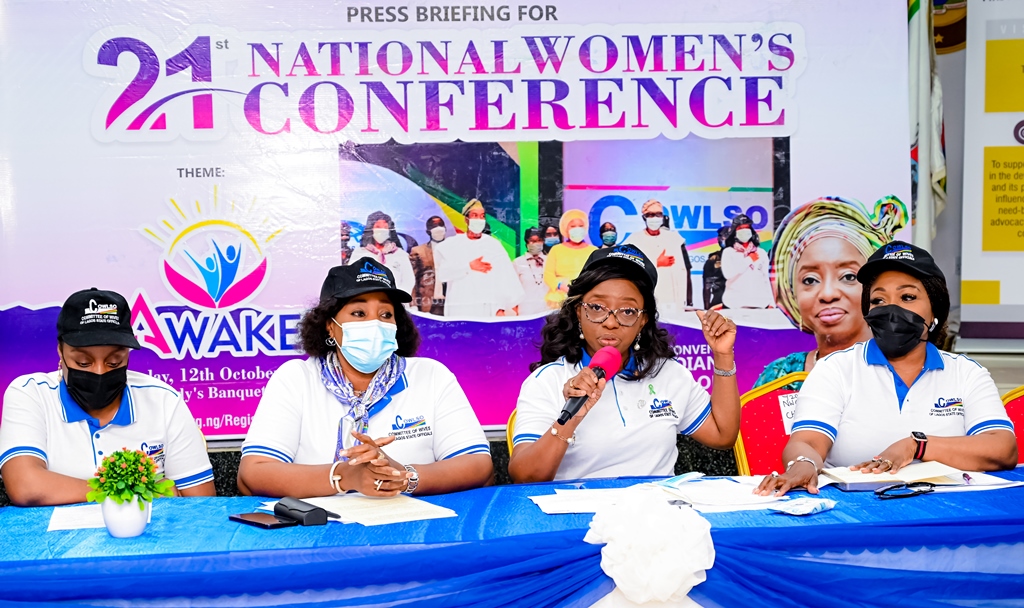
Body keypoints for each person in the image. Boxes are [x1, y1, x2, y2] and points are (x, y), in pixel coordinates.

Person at [756, 242, 1017, 497]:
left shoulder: (967, 373)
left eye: (907, 297)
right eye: (878, 299)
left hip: (952, 508)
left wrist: (917, 445)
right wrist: (804, 464)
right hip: (856, 510)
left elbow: (1002, 449)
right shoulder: (835, 368)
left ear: (935, 310)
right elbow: (808, 442)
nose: (892, 310)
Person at [238, 259, 493, 497]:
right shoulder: (296, 378)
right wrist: (345, 477)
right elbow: (255, 472)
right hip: (318, 533)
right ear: (330, 325)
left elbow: (478, 464)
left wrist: (403, 476)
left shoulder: (431, 376)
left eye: (385, 315)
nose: (375, 324)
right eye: (359, 313)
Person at [508, 245, 741, 482]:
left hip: (658, 512)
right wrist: (572, 417)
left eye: (628, 311)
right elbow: (525, 477)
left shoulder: (668, 373)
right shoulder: (548, 380)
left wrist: (723, 354)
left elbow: (723, 436)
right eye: (597, 308)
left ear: (643, 320)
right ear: (579, 311)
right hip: (578, 514)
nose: (611, 322)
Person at [0, 289, 214, 506]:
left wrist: (61, 488)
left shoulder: (164, 401)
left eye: (114, 362)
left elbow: (202, 505)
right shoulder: (30, 394)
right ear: (60, 351)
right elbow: (25, 486)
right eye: (83, 363)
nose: (100, 372)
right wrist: (136, 490)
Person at [754, 196, 907, 390]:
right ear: (792, 294)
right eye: (810, 280)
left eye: (848, 277)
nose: (827, 294)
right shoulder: (779, 378)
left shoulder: (907, 374)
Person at [433, 199, 524, 318]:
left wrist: (501, 307)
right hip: (460, 307)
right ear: (466, 219)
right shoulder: (452, 245)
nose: (479, 220)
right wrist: (469, 267)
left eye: (482, 216)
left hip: (488, 308)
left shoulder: (493, 245)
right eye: (475, 216)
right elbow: (444, 275)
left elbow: (505, 278)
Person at [625, 200, 693, 312]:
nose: (655, 218)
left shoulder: (674, 238)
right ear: (644, 217)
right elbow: (628, 269)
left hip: (672, 298)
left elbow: (683, 270)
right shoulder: (634, 240)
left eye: (658, 214)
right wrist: (656, 262)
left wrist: (684, 300)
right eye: (651, 215)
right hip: (647, 297)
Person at [350, 211, 416, 296]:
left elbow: (409, 281)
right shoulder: (359, 253)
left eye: (385, 227)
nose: (381, 230)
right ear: (371, 229)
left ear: (390, 230)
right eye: (378, 226)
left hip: (396, 302)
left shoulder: (400, 254)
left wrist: (395, 299)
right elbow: (352, 279)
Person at [544, 209, 598, 309]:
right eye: (573, 226)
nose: (577, 229)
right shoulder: (556, 249)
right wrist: (561, 286)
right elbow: (548, 275)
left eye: (580, 226)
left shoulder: (593, 250)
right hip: (559, 300)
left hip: (586, 298)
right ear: (566, 228)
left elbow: (597, 274)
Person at [720, 214, 773, 309]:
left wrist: (772, 302)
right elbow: (728, 274)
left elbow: (767, 278)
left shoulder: (761, 253)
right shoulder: (728, 252)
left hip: (760, 304)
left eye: (747, 228)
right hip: (734, 304)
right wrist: (749, 260)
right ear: (734, 232)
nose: (744, 231)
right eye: (740, 228)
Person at [409, 215, 447, 315]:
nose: (438, 229)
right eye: (434, 227)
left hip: (450, 301)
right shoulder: (418, 251)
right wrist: (413, 303)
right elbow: (412, 279)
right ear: (428, 231)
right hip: (427, 303)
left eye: (440, 226)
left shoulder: (453, 248)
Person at [513, 227, 549, 316]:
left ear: (543, 241)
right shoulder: (517, 263)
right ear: (526, 242)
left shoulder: (551, 261)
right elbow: (512, 289)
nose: (535, 244)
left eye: (538, 240)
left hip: (548, 310)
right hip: (525, 312)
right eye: (532, 241)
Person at [702, 226, 730, 310]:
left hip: (739, 303)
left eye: (726, 236)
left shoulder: (743, 257)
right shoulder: (713, 259)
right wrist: (706, 310)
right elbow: (707, 286)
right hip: (718, 303)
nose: (722, 239)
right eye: (720, 236)